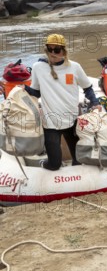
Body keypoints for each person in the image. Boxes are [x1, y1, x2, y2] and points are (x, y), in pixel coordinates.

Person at [24, 33, 100, 170]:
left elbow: (87, 87)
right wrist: (22, 88)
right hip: (50, 122)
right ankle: (44, 163)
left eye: (57, 50)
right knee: (54, 165)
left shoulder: (74, 67)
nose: (53, 53)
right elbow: (36, 92)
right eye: (49, 49)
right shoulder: (38, 67)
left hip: (72, 120)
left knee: (79, 161)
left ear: (64, 51)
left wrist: (95, 103)